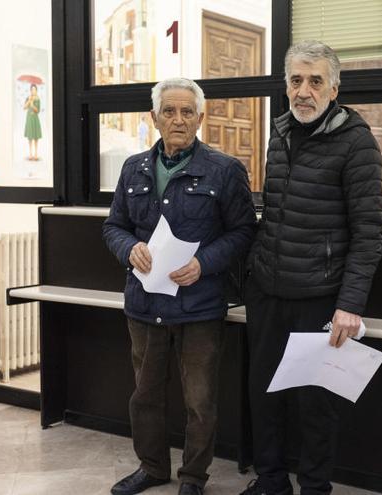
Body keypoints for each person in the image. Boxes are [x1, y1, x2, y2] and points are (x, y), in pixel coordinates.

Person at [241, 40, 382, 495]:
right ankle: (270, 481)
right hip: (268, 290)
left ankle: (315, 488)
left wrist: (349, 305)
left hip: (321, 297)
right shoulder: (279, 131)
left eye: (315, 81)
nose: (304, 91)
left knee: (315, 404)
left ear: (334, 87)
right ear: (286, 85)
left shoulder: (357, 142)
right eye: (296, 80)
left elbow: (368, 233)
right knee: (264, 393)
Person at [103, 77, 257, 495]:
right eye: (169, 111)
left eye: (187, 111)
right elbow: (113, 225)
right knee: (145, 396)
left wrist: (204, 263)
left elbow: (244, 232)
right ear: (154, 118)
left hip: (199, 306)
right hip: (144, 303)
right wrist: (129, 247)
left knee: (200, 402)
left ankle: (193, 478)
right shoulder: (132, 167)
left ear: (200, 118)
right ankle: (152, 468)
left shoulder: (225, 170)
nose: (178, 119)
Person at [23, 83, 42, 160]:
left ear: (36, 90)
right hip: (29, 118)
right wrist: (29, 101)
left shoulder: (38, 99)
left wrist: (32, 104)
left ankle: (36, 154)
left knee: (36, 136)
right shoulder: (28, 98)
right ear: (30, 90)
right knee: (30, 136)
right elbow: (24, 107)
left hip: (35, 118)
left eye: (35, 89)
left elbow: (38, 110)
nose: (33, 91)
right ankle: (30, 154)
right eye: (32, 89)